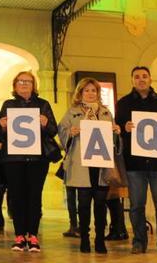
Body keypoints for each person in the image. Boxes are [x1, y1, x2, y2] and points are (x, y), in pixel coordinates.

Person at [115, 66, 157, 256]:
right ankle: (139, 242)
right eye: (137, 77)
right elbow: (116, 128)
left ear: (150, 79)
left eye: (144, 76)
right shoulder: (123, 103)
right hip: (135, 163)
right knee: (136, 205)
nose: (141, 80)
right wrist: (124, 127)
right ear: (132, 80)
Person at [58, 77, 121, 254]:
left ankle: (100, 239)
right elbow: (61, 133)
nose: (90, 93)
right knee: (83, 205)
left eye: (93, 90)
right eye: (87, 90)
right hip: (81, 166)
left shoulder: (106, 113)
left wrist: (116, 133)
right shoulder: (72, 112)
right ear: (80, 92)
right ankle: (84, 239)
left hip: (101, 166)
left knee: (101, 205)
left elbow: (114, 142)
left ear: (98, 93)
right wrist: (69, 132)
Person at [0, 70, 59, 252]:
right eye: (21, 81)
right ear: (15, 85)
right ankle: (19, 236)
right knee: (16, 197)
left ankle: (32, 235)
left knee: (34, 196)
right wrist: (1, 126)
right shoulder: (8, 104)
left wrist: (45, 123)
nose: (24, 84)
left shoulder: (43, 104)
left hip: (37, 159)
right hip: (13, 158)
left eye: (28, 81)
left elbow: (53, 130)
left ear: (34, 85)